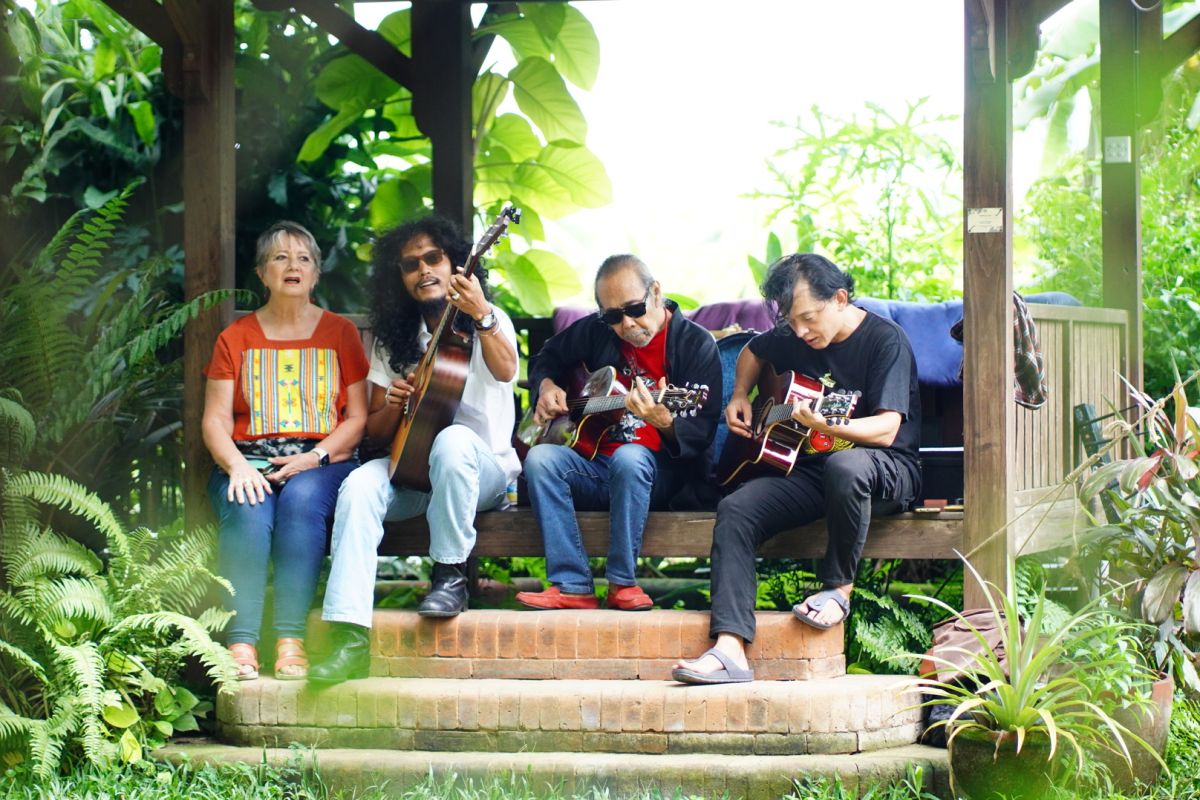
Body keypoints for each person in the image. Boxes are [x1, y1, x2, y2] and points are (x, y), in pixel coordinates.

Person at [673, 253, 921, 684]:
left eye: (810, 318)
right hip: (813, 469)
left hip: (888, 468)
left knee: (846, 464)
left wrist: (828, 423)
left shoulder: (886, 341)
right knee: (736, 509)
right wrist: (740, 395)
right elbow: (753, 349)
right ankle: (729, 648)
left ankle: (837, 591)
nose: (802, 331)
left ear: (840, 298)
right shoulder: (793, 336)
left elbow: (886, 429)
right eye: (793, 321)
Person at [308, 215, 519, 686]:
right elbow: (375, 434)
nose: (423, 270)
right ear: (399, 279)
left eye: (433, 258)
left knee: (454, 440)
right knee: (360, 485)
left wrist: (483, 314)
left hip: (482, 474)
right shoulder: (395, 342)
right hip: (416, 471)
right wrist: (395, 402)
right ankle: (348, 638)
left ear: (455, 264)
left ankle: (449, 577)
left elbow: (506, 372)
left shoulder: (490, 320)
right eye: (410, 265)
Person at [202, 221, 370, 681]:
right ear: (262, 273)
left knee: (300, 501)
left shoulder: (340, 333)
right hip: (248, 459)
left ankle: (290, 639)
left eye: (303, 259)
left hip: (321, 461)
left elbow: (357, 418)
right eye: (280, 257)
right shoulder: (234, 338)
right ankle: (241, 643)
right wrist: (236, 467)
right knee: (249, 505)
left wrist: (313, 459)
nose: (292, 266)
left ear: (315, 274)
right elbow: (215, 419)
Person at [515, 255, 721, 611]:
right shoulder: (596, 331)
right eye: (613, 316)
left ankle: (622, 583)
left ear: (656, 292)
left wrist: (664, 421)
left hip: (660, 478)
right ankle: (572, 585)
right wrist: (546, 386)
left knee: (629, 458)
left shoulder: (695, 345)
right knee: (541, 458)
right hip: (595, 468)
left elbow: (701, 435)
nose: (626, 323)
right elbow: (546, 356)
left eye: (634, 308)